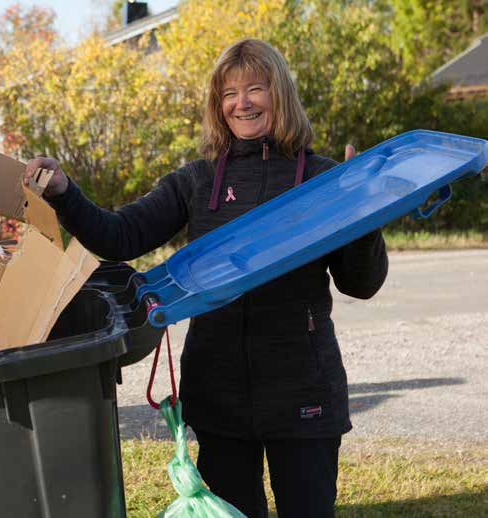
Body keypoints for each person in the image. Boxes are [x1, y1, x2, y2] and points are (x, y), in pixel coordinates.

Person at [25, 38, 388, 518]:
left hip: (303, 392)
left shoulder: (322, 179)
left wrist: (362, 212)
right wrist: (65, 193)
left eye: (255, 88)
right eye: (229, 93)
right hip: (220, 396)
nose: (242, 103)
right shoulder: (197, 180)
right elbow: (121, 235)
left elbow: (360, 283)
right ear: (218, 106)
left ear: (279, 94)